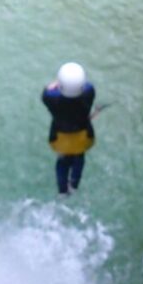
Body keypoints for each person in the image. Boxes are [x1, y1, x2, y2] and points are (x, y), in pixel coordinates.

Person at [41, 62, 95, 196]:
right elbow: (85, 86)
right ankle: (74, 185)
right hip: (84, 137)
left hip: (59, 139)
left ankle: (62, 190)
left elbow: (48, 89)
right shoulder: (89, 92)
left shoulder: (50, 98)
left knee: (62, 161)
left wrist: (57, 84)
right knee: (79, 156)